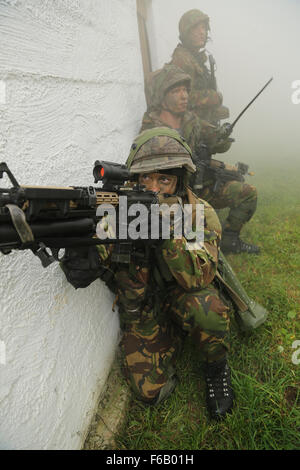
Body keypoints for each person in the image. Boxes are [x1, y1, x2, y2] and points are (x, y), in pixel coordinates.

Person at [61, 127, 235, 419]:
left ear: (179, 181)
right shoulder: (119, 211)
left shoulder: (197, 213)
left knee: (209, 309)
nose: (154, 187)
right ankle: (170, 336)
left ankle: (216, 367)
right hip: (142, 308)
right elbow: (92, 262)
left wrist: (165, 233)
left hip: (183, 294)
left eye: (164, 178)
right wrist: (84, 254)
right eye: (146, 178)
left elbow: (198, 278)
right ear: (134, 179)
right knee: (150, 394)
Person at [143, 63, 259, 254]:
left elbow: (211, 138)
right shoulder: (151, 130)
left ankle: (230, 241)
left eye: (185, 90)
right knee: (193, 248)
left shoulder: (189, 119)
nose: (184, 96)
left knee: (247, 191)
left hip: (200, 187)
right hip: (175, 198)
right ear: (162, 97)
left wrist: (221, 135)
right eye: (177, 91)